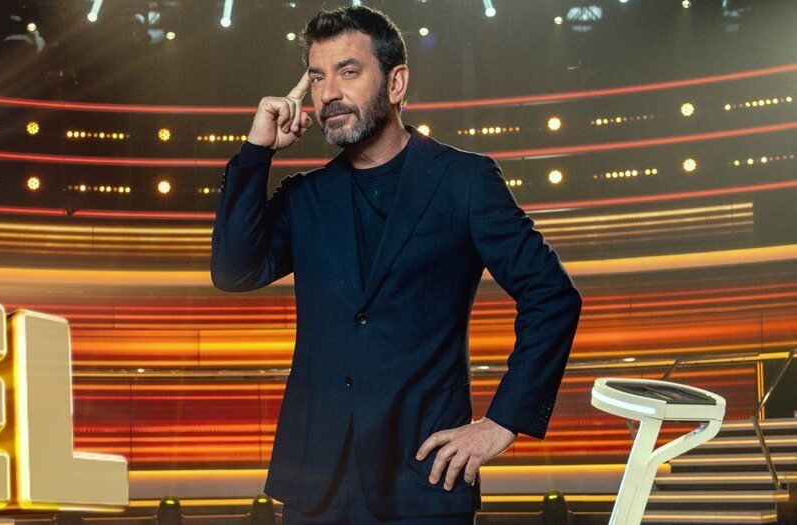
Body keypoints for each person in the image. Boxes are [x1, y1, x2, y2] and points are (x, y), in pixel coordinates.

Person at [209, 5, 584, 524]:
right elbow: (233, 270)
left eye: (348, 71)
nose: (328, 92)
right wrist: (257, 151)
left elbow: (552, 296)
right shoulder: (306, 197)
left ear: (396, 82)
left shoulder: (464, 182)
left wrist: (502, 422)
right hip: (316, 485)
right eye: (317, 77)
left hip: (422, 479)